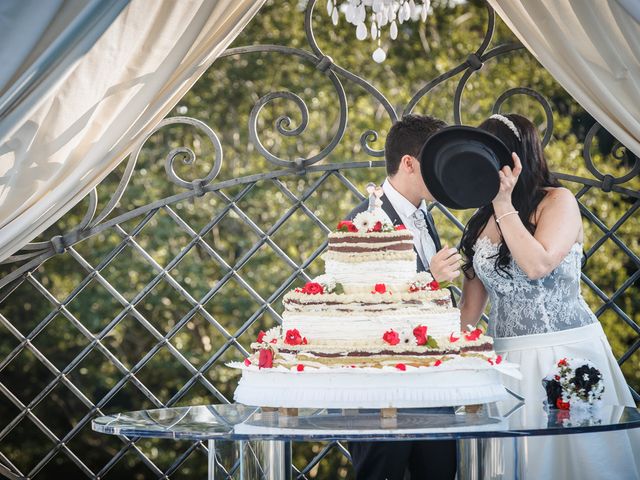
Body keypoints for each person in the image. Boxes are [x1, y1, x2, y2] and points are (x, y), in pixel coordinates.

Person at [459, 113, 640, 479]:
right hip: (503, 362)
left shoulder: (559, 202)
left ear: (514, 158)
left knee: (576, 462)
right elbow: (468, 312)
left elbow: (537, 264)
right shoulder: (481, 221)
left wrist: (505, 204)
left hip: (562, 356)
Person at [347, 114, 460, 480]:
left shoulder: (424, 216)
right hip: (383, 395)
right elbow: (362, 308)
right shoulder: (365, 220)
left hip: (433, 389)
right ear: (408, 163)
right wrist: (432, 278)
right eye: (437, 163)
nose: (445, 174)